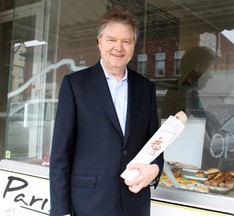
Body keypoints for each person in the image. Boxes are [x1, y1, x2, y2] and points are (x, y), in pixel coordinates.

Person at [49, 6, 164, 216]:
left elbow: (155, 143)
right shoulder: (75, 85)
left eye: (126, 41)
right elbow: (60, 155)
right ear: (99, 41)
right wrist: (60, 211)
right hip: (88, 204)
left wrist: (155, 169)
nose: (118, 47)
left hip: (134, 204)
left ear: (133, 45)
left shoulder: (146, 88)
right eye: (111, 39)